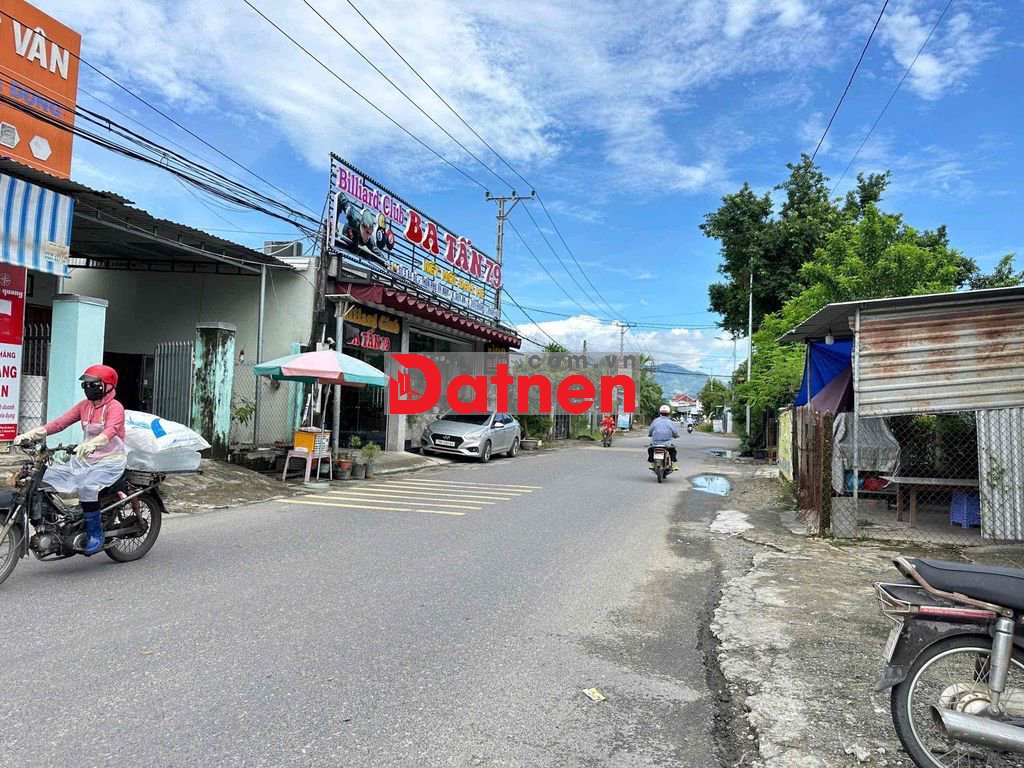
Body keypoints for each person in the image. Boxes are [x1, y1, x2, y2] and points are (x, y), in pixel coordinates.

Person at [14, 364, 127, 556]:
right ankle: (50, 524)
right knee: (44, 478)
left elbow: (112, 430)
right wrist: (32, 434)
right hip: (85, 459)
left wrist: (94, 443)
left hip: (110, 461)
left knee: (87, 487)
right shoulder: (85, 406)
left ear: (108, 386)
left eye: (93, 385)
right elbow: (60, 423)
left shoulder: (115, 407)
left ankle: (95, 534)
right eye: (85, 385)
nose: (88, 388)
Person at [648, 404, 679, 470]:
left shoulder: (655, 421)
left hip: (655, 443)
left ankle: (652, 463)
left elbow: (650, 430)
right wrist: (676, 436)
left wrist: (650, 434)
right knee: (673, 451)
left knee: (650, 449)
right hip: (667, 443)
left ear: (660, 413)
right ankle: (673, 464)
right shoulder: (670, 422)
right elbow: (675, 432)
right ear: (668, 414)